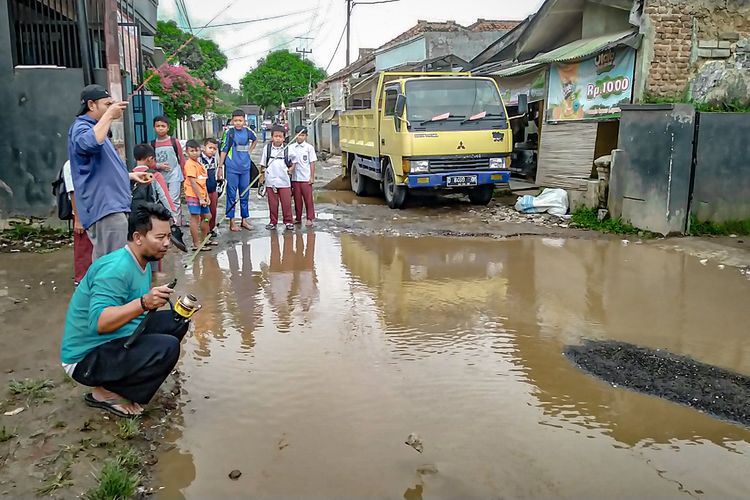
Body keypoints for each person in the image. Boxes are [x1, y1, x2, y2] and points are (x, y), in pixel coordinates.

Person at [60, 203, 191, 418]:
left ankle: (123, 380)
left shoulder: (142, 261)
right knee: (167, 347)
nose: (167, 243)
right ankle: (107, 394)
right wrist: (144, 303)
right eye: (160, 237)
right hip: (84, 360)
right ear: (138, 237)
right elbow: (99, 323)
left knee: (178, 319)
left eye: (168, 236)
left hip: (112, 340)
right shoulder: (116, 269)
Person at [68, 84, 150, 261]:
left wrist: (129, 176)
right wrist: (109, 116)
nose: (111, 107)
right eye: (107, 104)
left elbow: (100, 169)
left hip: (114, 205)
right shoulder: (81, 128)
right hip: (105, 208)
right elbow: (89, 143)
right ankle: (109, 290)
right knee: (113, 262)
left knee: (114, 260)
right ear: (91, 105)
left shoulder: (99, 129)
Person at [220, 109, 258, 232]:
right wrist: (220, 167)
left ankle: (244, 220)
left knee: (244, 194)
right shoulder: (229, 133)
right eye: (235, 120)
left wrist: (249, 151)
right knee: (231, 195)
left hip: (245, 168)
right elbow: (224, 150)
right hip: (232, 168)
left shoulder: (248, 132)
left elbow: (255, 139)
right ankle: (232, 221)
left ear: (244, 121)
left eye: (240, 120)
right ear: (232, 121)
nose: (238, 123)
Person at [62, 160, 93, 285]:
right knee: (83, 249)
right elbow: (72, 192)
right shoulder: (71, 165)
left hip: (93, 210)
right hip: (82, 212)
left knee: (91, 248)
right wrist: (78, 219)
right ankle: (81, 281)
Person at [151, 116, 185, 226]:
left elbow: (181, 159)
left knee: (174, 200)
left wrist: (185, 177)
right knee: (163, 200)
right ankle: (166, 224)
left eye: (163, 126)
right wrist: (158, 165)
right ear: (154, 127)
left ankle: (176, 225)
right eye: (158, 126)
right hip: (160, 178)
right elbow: (150, 162)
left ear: (168, 128)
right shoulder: (152, 144)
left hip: (175, 175)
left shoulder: (174, 142)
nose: (160, 128)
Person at [259, 126, 294, 231]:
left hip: (284, 181)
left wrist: (291, 170)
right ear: (272, 137)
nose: (278, 138)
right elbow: (263, 164)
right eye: (276, 136)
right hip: (271, 181)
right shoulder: (267, 148)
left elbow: (294, 162)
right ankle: (273, 222)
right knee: (273, 204)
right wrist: (262, 176)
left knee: (286, 203)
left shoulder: (288, 148)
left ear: (284, 138)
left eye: (280, 136)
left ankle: (288, 221)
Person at [183, 140, 213, 251]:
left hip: (202, 195)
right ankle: (196, 243)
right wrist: (200, 197)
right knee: (195, 218)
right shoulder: (190, 164)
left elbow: (202, 182)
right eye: (192, 151)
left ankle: (204, 239)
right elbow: (193, 182)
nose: (194, 153)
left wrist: (206, 196)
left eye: (196, 150)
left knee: (207, 217)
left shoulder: (198, 163)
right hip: (193, 195)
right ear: (187, 152)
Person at [290, 125, 317, 227]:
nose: (300, 137)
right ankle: (298, 217)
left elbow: (312, 163)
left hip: (306, 178)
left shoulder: (309, 148)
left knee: (308, 199)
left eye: (303, 135)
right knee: (297, 199)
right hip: (295, 178)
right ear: (295, 135)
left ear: (306, 136)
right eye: (298, 135)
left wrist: (312, 177)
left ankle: (310, 218)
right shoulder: (291, 147)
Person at [200, 138, 220, 235]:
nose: (212, 150)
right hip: (203, 190)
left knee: (213, 211)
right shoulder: (199, 159)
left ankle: (211, 229)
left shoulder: (215, 159)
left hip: (213, 188)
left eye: (214, 148)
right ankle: (205, 230)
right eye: (210, 148)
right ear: (204, 148)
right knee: (204, 212)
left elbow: (217, 172)